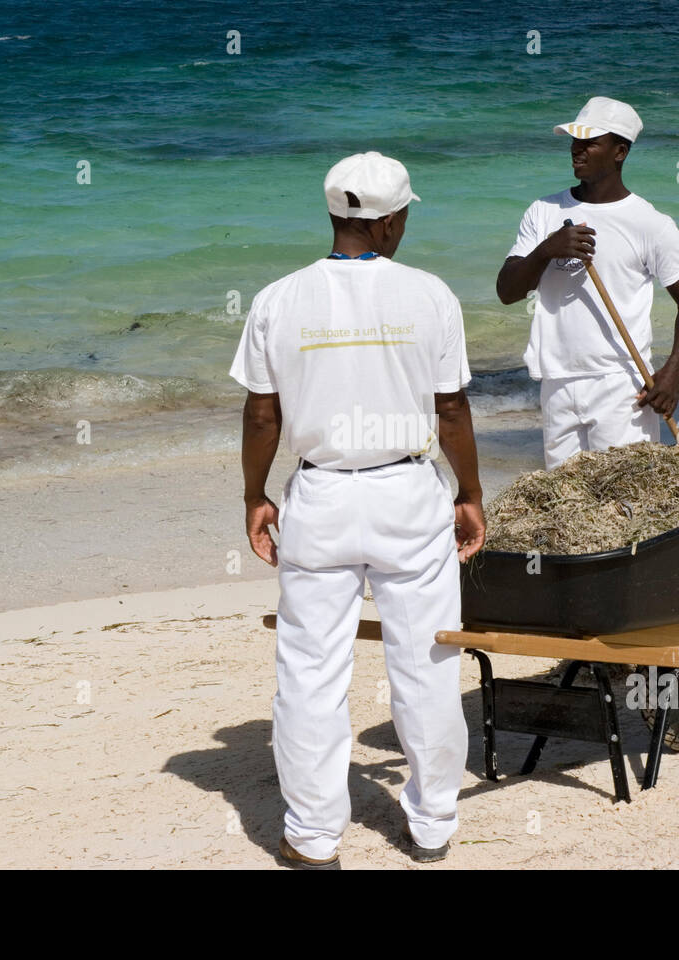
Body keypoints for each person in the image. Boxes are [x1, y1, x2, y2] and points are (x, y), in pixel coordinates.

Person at [229, 151, 485, 869]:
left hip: (321, 493)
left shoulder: (279, 298)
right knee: (428, 663)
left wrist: (256, 495)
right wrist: (469, 491)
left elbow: (261, 415)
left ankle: (313, 838)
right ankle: (431, 827)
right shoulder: (430, 295)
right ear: (394, 220)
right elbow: (453, 408)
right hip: (408, 490)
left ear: (336, 214)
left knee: (310, 671)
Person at [496, 96, 679, 468]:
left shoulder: (650, 223)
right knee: (567, 504)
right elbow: (507, 292)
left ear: (619, 151)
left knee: (627, 497)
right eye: (574, 141)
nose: (577, 149)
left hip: (622, 384)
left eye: (590, 142)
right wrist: (546, 250)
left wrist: (673, 372)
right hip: (556, 380)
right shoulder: (543, 212)